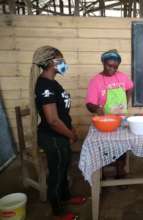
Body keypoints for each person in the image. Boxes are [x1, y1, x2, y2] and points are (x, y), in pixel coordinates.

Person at [29, 46, 85, 220]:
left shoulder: (52, 83)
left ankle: (66, 197)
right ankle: (57, 212)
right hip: (52, 137)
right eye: (61, 60)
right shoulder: (45, 84)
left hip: (61, 135)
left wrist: (70, 129)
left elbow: (61, 113)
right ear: (52, 62)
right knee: (56, 174)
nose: (64, 63)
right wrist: (70, 135)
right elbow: (52, 120)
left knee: (63, 167)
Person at [85, 49, 134, 178]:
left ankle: (120, 172)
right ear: (103, 62)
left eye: (115, 66)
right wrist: (96, 109)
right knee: (103, 149)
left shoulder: (122, 76)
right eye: (109, 65)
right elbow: (89, 104)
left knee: (121, 146)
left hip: (120, 119)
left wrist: (126, 100)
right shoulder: (96, 81)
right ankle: (101, 176)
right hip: (104, 122)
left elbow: (130, 87)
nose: (112, 69)